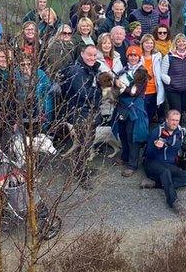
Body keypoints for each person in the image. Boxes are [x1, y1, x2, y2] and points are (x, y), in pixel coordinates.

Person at [55, 45, 102, 189]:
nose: (92, 58)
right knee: (83, 144)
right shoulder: (77, 70)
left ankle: (81, 169)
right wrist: (101, 91)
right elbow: (84, 94)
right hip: (80, 112)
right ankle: (81, 175)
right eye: (89, 55)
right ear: (82, 54)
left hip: (86, 112)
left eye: (94, 55)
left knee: (86, 143)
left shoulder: (87, 68)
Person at [144, 109, 186, 215]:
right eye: (172, 120)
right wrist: (156, 148)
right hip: (153, 163)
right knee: (166, 172)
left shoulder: (180, 131)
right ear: (166, 120)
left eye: (177, 120)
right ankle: (173, 201)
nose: (174, 123)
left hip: (169, 164)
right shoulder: (157, 132)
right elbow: (148, 154)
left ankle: (155, 184)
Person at [112, 59, 150, 177]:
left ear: (139, 57)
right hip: (122, 105)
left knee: (132, 136)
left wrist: (121, 87)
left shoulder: (142, 72)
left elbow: (135, 92)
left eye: (135, 55)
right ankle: (125, 156)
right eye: (130, 55)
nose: (133, 57)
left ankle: (133, 164)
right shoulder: (124, 69)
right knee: (122, 133)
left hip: (134, 108)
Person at [160, 35, 186, 123]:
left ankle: (184, 114)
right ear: (175, 43)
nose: (181, 43)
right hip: (173, 89)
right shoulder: (169, 57)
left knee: (182, 107)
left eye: (183, 41)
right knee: (176, 110)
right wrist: (170, 81)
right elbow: (163, 73)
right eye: (179, 41)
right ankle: (174, 128)